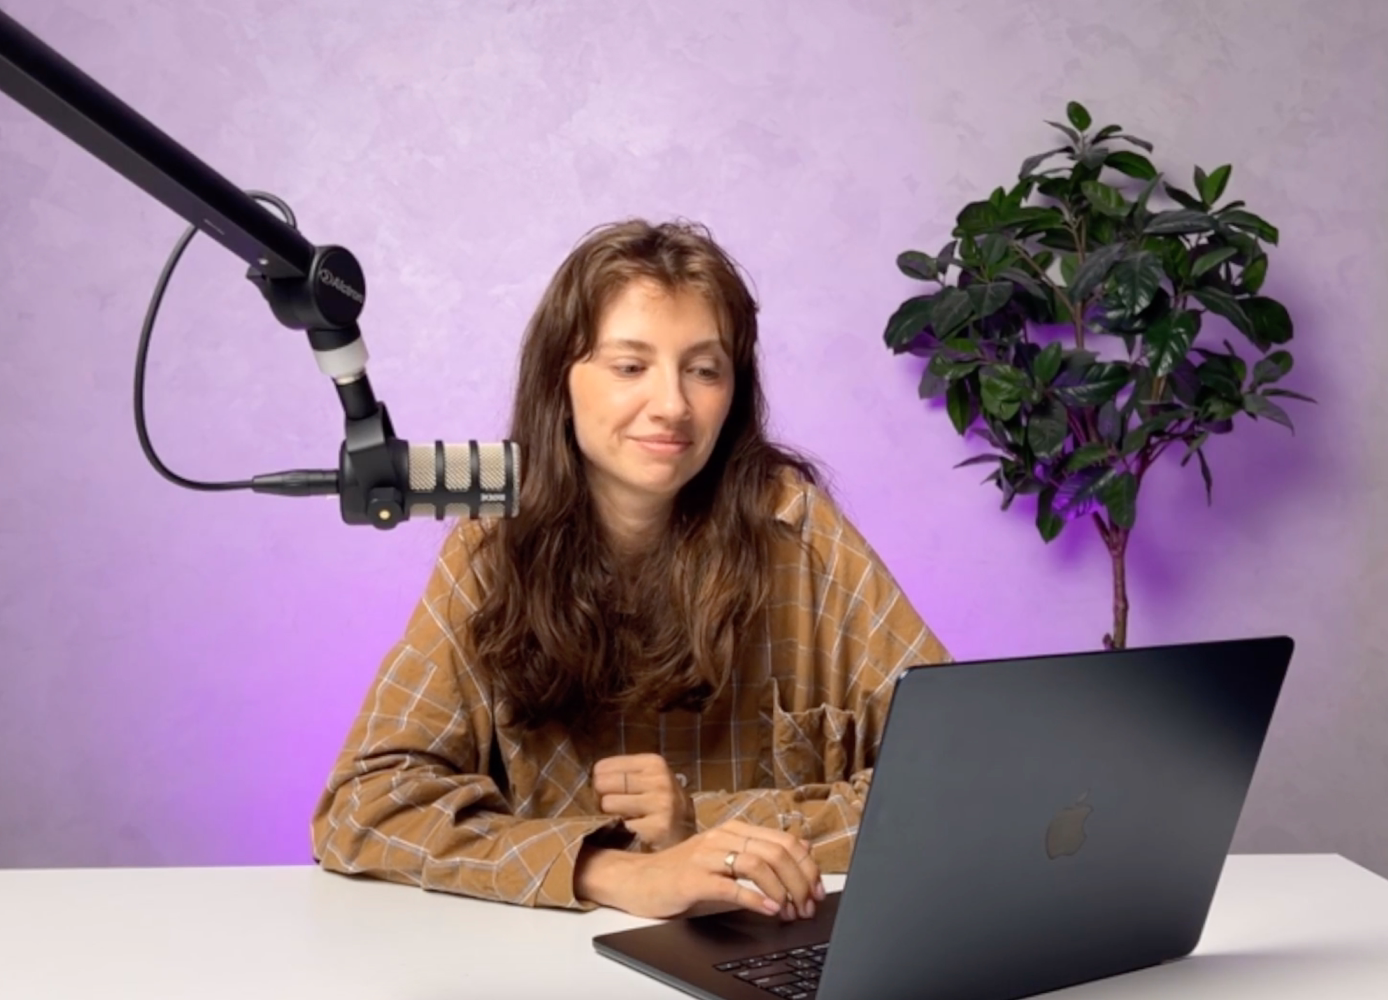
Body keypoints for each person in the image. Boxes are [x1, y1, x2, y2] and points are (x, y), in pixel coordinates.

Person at [310, 218, 951, 922]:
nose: (672, 406)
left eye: (704, 370)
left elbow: (961, 776)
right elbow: (363, 807)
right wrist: (611, 870)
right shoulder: (491, 547)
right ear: (561, 379)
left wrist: (704, 825)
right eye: (629, 367)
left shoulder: (798, 534)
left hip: (766, 942)